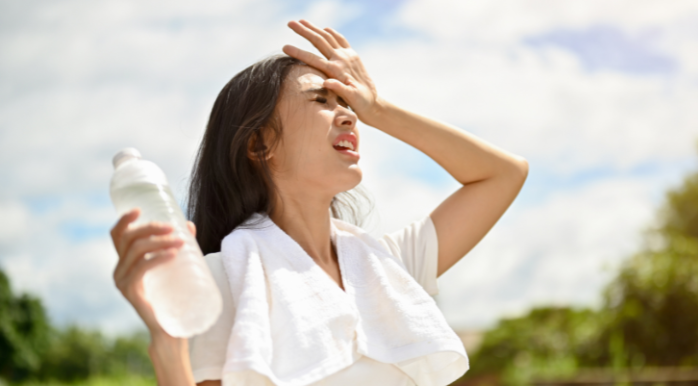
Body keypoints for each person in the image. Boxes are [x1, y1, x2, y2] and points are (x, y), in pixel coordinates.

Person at [109, 20, 528, 386]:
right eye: (321, 101)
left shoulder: (388, 269)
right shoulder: (225, 278)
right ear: (260, 143)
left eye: (346, 102)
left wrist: (378, 108)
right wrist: (167, 346)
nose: (349, 115)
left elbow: (504, 174)